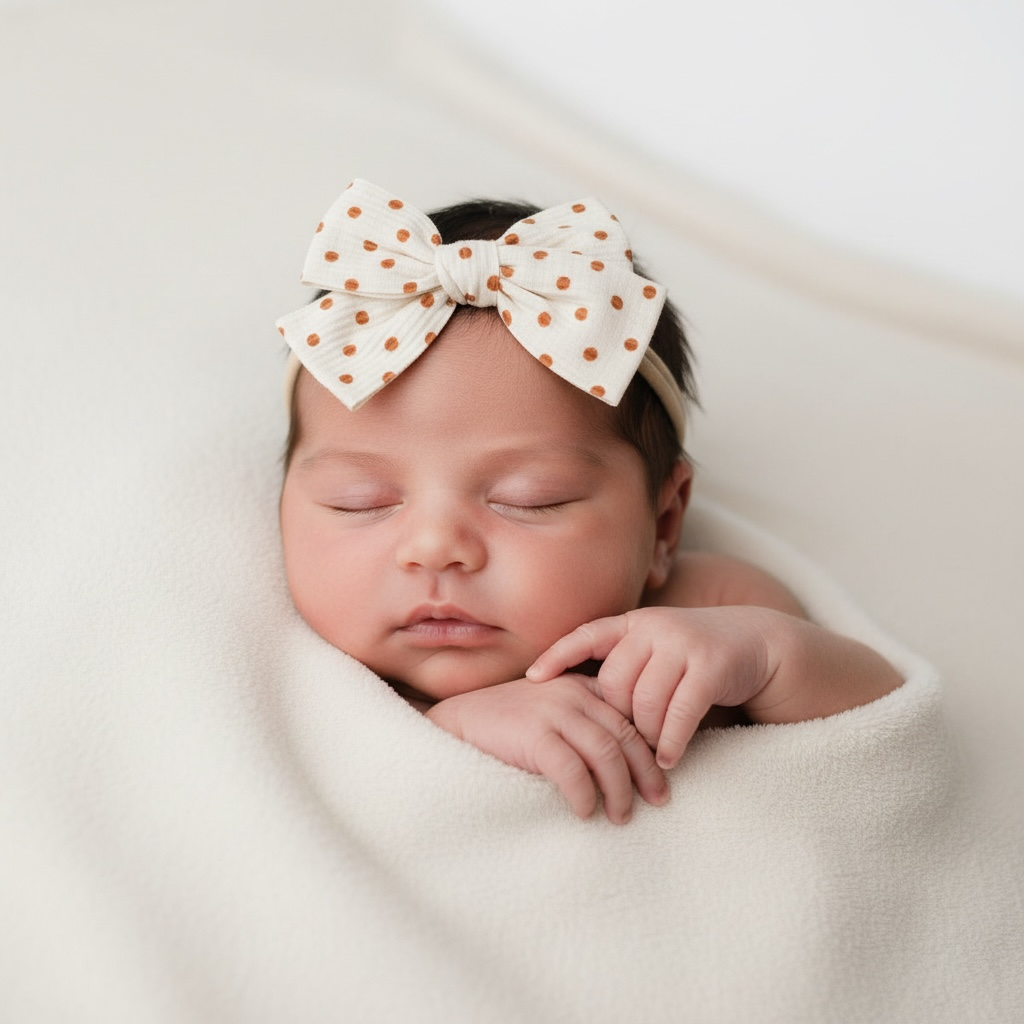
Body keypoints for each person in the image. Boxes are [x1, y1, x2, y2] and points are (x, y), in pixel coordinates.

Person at [277, 179, 902, 824]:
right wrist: (450, 730)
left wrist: (769, 655)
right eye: (359, 501)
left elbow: (880, 738)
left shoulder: (702, 607)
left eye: (531, 499)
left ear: (662, 525)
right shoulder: (304, 676)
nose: (436, 547)